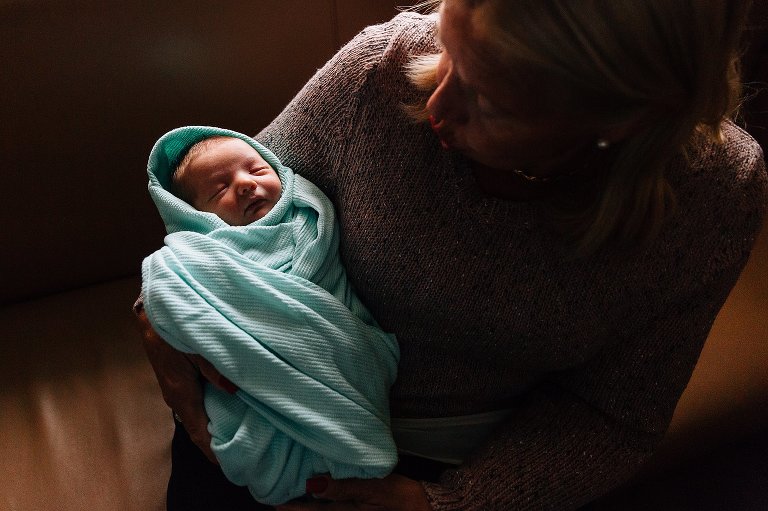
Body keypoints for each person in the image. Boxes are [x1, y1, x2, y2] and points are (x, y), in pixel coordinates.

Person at [134, 0, 768, 509]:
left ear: (620, 123)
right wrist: (168, 316)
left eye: (489, 98)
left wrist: (451, 503)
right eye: (449, 48)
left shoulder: (715, 196)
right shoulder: (379, 69)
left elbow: (615, 415)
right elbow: (225, 222)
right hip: (272, 396)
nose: (435, 104)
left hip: (462, 460)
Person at [139, 126, 399, 505]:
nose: (244, 184)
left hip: (341, 356)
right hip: (252, 391)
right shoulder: (201, 254)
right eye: (218, 190)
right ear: (192, 216)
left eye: (257, 170)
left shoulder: (310, 220)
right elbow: (168, 286)